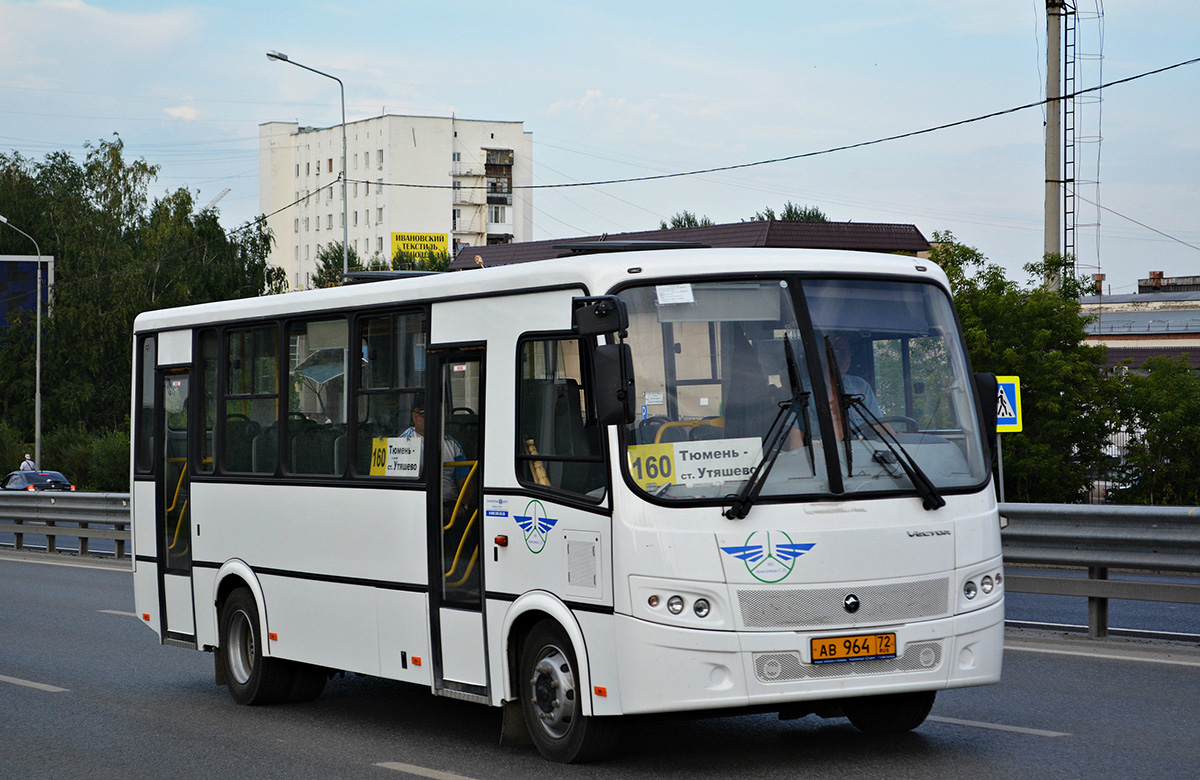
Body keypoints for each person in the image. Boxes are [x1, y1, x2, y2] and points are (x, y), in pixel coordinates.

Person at [399, 396, 471, 513]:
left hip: (450, 506)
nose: (427, 416)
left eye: (431, 411)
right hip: (418, 506)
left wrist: (463, 506)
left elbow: (464, 480)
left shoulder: (451, 444)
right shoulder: (402, 443)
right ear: (414, 416)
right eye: (422, 412)